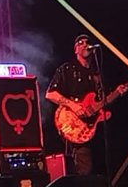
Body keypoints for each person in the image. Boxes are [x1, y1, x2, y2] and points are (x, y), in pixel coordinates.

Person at [45, 34, 110, 176]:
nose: (85, 44)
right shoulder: (67, 69)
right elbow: (50, 94)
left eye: (87, 42)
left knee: (101, 169)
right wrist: (73, 105)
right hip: (75, 125)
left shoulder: (97, 73)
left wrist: (118, 92)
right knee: (84, 167)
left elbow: (100, 101)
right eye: (80, 43)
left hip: (94, 127)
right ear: (75, 50)